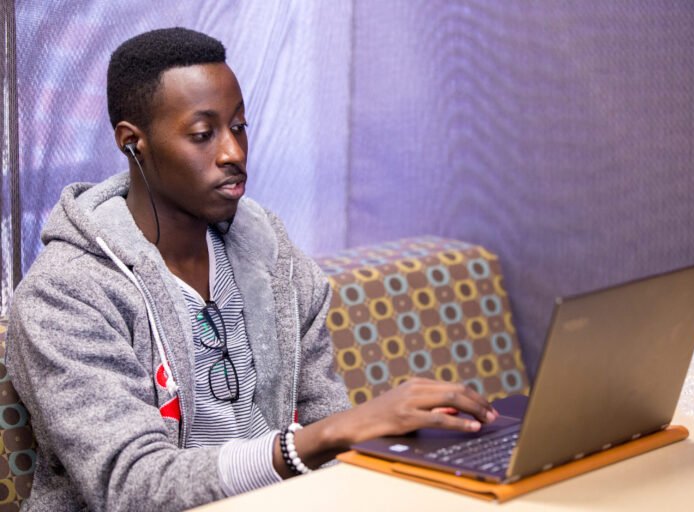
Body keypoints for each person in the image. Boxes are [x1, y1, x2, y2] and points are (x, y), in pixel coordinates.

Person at [7, 27, 498, 511]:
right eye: (203, 134)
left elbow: (327, 419)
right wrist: (317, 440)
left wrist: (397, 447)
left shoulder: (274, 260)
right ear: (134, 143)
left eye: (239, 127)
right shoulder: (67, 295)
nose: (233, 153)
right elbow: (131, 487)